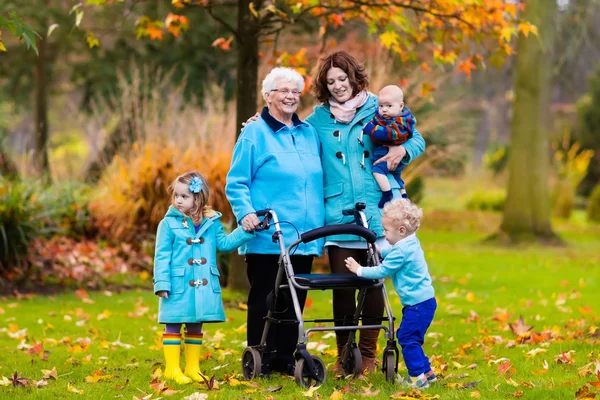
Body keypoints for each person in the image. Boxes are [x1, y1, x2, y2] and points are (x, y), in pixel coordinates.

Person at [305, 51, 426, 373]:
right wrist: (258, 122)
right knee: (344, 287)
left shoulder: (381, 105)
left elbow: (417, 138)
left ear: (354, 77)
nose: (338, 86)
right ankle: (346, 356)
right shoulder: (317, 119)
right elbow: (289, 132)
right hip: (339, 213)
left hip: (379, 211)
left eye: (342, 79)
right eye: (330, 82)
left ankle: (369, 357)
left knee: (374, 284)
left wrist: (402, 149)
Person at [226, 67, 325, 376]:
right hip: (269, 233)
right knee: (266, 298)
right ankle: (260, 355)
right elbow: (236, 181)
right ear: (267, 95)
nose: (291, 95)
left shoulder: (308, 132)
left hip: (305, 235)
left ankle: (285, 356)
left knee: (295, 298)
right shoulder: (254, 132)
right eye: (283, 90)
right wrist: (246, 213)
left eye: (295, 91)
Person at [154, 171, 255, 384]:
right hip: (177, 284)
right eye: (176, 196)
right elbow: (162, 255)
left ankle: (192, 367)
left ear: (198, 198)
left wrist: (244, 231)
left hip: (202, 285)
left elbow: (225, 244)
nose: (178, 200)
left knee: (195, 324)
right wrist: (162, 282)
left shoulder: (211, 223)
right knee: (173, 324)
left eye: (184, 196)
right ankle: (172, 369)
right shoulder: (168, 224)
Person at [344, 198, 436, 389]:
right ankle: (427, 373)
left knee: (408, 339)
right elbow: (392, 251)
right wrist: (379, 249)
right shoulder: (409, 243)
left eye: (386, 231)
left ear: (401, 231)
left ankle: (418, 378)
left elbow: (382, 271)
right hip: (423, 302)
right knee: (409, 336)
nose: (384, 234)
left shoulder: (401, 251)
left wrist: (359, 269)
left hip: (418, 305)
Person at [363, 85, 416, 207]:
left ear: (401, 106)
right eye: (381, 106)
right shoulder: (388, 116)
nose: (384, 110)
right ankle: (404, 195)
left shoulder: (401, 121)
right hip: (393, 157)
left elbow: (387, 134)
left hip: (386, 153)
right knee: (397, 176)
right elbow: (377, 119)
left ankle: (387, 194)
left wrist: (371, 129)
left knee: (377, 171)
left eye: (389, 106)